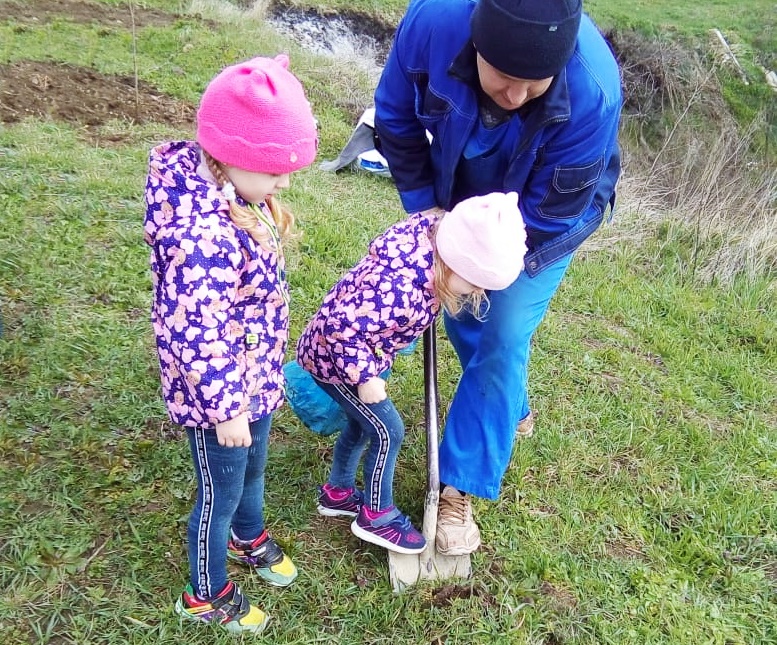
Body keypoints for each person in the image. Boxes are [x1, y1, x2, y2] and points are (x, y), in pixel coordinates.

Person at [373, 0, 622, 555]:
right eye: (505, 78)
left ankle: (460, 484)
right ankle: (511, 404)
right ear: (477, 44)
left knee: (503, 330)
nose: (514, 97)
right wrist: (428, 214)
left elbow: (549, 212)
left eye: (533, 85)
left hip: (544, 214)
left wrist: (478, 260)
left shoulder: (593, 92)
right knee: (463, 313)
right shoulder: (433, 24)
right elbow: (395, 120)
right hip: (460, 188)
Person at [143, 54, 318, 634]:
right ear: (232, 160)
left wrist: (252, 391)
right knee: (218, 491)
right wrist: (226, 409)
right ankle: (205, 590)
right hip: (218, 397)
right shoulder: (204, 236)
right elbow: (196, 331)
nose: (284, 183)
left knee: (254, 469)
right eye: (275, 171)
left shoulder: (239, 199)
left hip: (254, 377)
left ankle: (249, 536)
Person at [296, 191, 527, 554]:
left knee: (361, 426)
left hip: (349, 354)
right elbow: (342, 329)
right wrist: (365, 377)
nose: (477, 292)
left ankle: (338, 493)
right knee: (389, 430)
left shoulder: (433, 237)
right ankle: (377, 515)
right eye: (473, 282)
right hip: (338, 359)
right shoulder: (401, 288)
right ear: (453, 262)